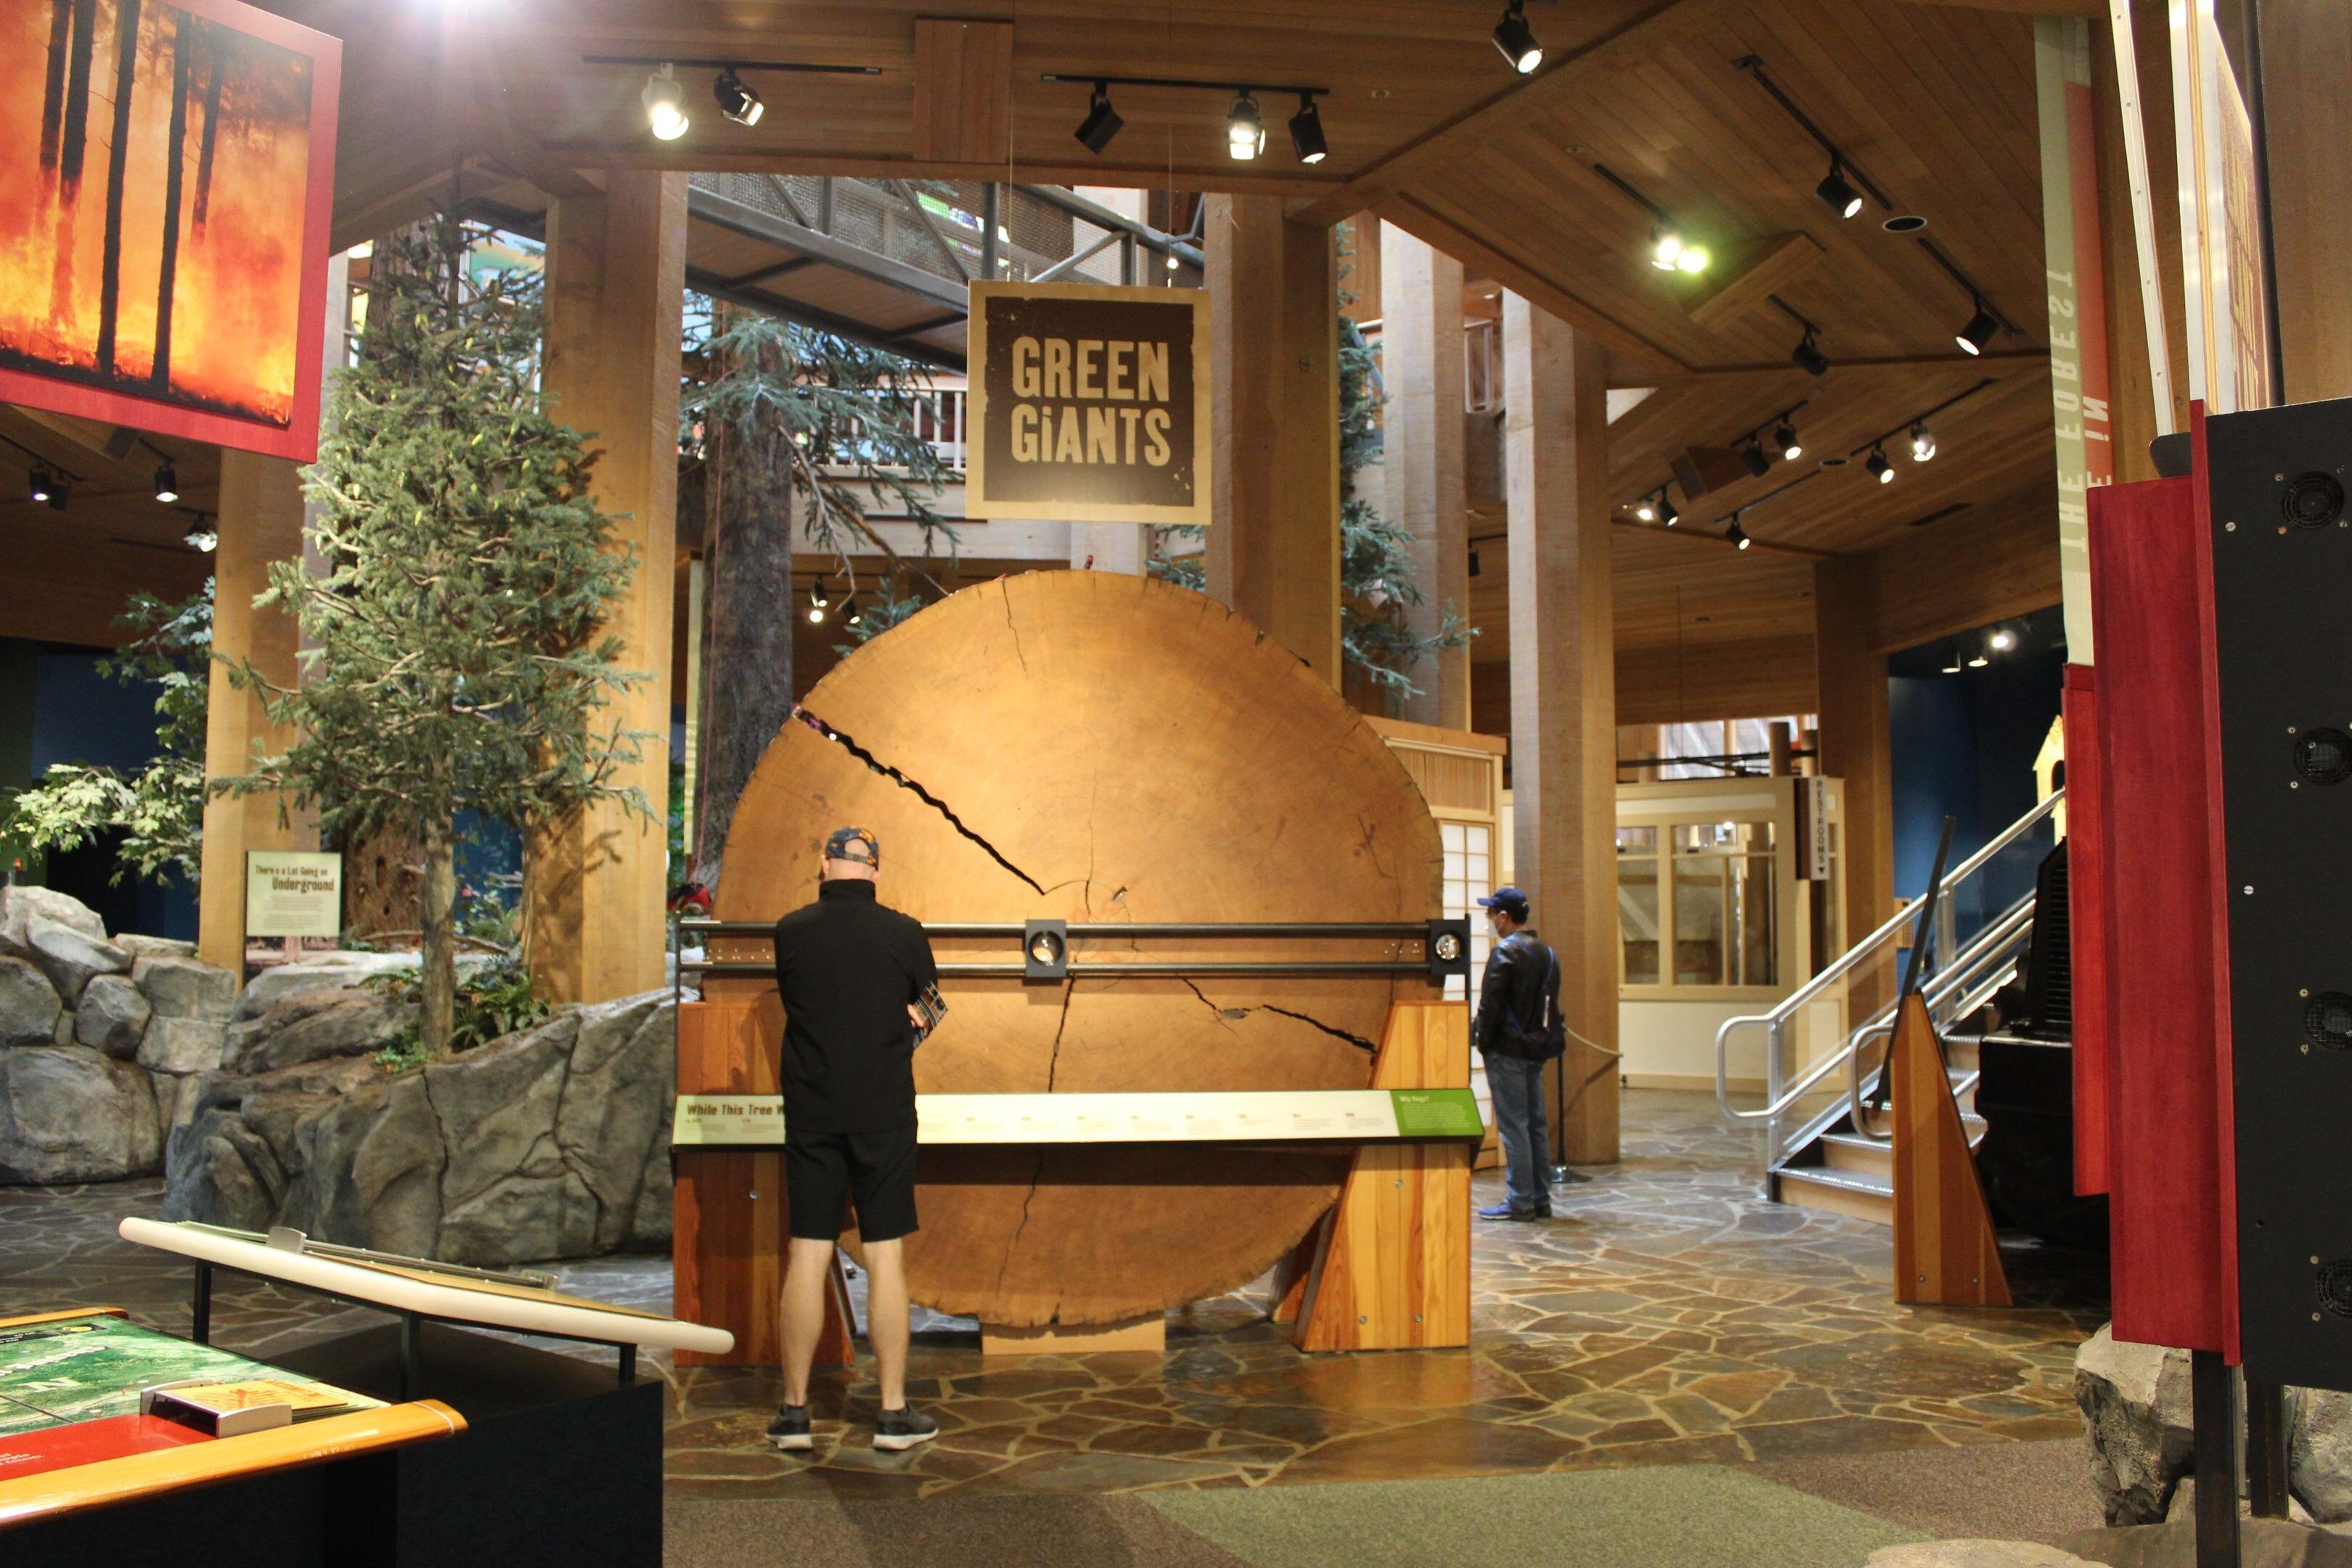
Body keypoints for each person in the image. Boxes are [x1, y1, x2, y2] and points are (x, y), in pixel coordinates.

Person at [764, 826, 946, 1454]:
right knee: (885, 1255)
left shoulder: (790, 931)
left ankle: (794, 1414)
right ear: (876, 871)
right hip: (883, 1111)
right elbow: (934, 1005)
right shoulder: (905, 933)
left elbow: (800, 1003)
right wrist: (902, 1034)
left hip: (812, 1112)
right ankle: (892, 1414)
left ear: (825, 864)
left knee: (808, 1251)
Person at [1473, 886, 1561, 1222]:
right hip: (1535, 1047)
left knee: (1514, 1127)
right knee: (1536, 1124)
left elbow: (1490, 1005)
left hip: (1506, 1049)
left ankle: (1520, 1200)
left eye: (1490, 914)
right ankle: (1540, 1198)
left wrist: (1482, 1041)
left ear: (1504, 916)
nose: (1490, 921)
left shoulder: (1505, 952)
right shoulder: (1546, 951)